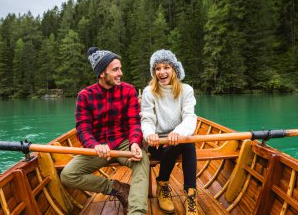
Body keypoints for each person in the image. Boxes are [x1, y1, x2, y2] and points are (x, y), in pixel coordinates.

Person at [61, 47, 149, 215]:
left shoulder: (129, 90)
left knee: (141, 159)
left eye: (120, 68)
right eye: (115, 69)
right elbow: (83, 129)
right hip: (98, 147)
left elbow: (134, 123)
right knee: (68, 175)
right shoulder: (85, 96)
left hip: (123, 143)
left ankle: (137, 212)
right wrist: (95, 145)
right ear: (102, 73)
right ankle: (115, 187)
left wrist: (135, 143)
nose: (120, 73)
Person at [141, 49, 198, 215]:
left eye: (166, 67)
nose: (161, 72)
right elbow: (147, 118)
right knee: (183, 144)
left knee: (187, 142)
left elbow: (189, 117)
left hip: (178, 138)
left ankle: (190, 194)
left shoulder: (186, 90)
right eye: (157, 68)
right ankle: (164, 185)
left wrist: (178, 132)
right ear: (154, 72)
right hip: (157, 142)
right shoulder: (149, 91)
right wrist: (150, 134)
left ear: (174, 69)